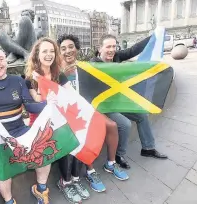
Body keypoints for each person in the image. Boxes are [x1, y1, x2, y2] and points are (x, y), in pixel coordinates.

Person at [24, 37, 128, 203]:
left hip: (62, 117)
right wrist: (42, 86)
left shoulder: (59, 74)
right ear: (37, 54)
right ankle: (65, 182)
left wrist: (88, 111)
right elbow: (36, 100)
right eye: (45, 51)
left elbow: (72, 96)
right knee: (66, 139)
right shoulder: (31, 77)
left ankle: (75, 179)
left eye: (52, 51)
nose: (49, 54)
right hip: (43, 123)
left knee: (78, 133)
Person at [0, 49, 53, 204]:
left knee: (43, 145)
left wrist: (47, 104)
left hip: (19, 129)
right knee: (0, 164)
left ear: (6, 62)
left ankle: (41, 189)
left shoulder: (17, 81)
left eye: (1, 59)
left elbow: (30, 106)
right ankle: (9, 201)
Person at [90, 34, 168, 169]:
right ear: (100, 48)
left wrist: (154, 36)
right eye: (108, 46)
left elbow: (134, 50)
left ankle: (148, 148)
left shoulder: (117, 57)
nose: (111, 50)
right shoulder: (92, 65)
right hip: (106, 106)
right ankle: (119, 155)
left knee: (142, 115)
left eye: (114, 46)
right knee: (125, 124)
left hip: (120, 102)